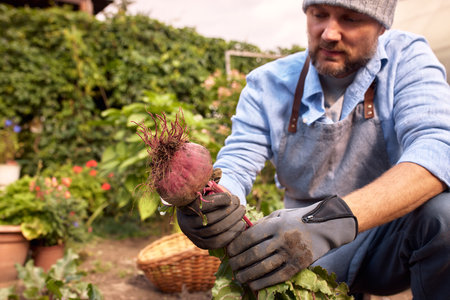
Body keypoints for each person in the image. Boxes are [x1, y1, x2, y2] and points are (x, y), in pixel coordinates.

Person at [177, 0, 450, 299]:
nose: (329, 33)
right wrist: (212, 202)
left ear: (382, 26)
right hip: (297, 243)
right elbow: (237, 161)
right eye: (319, 15)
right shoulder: (268, 83)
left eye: (350, 19)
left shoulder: (405, 58)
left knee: (445, 216)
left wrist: (330, 221)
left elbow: (437, 148)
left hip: (386, 238)